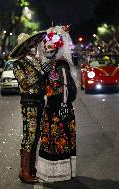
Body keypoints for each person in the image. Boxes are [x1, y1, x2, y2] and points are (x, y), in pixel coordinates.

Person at [36, 25, 77, 182]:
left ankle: (62, 172)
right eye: (45, 45)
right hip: (51, 107)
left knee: (61, 140)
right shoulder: (49, 64)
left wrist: (64, 105)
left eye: (50, 45)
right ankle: (51, 172)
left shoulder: (61, 63)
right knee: (50, 141)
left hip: (60, 107)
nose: (47, 48)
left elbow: (64, 86)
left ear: (58, 46)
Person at [10, 31, 52, 183]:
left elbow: (44, 79)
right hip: (29, 103)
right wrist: (40, 73)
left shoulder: (36, 60)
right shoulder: (17, 63)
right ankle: (24, 171)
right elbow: (25, 83)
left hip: (40, 101)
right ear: (24, 47)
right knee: (29, 136)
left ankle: (32, 168)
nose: (34, 46)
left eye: (34, 43)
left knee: (36, 136)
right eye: (31, 44)